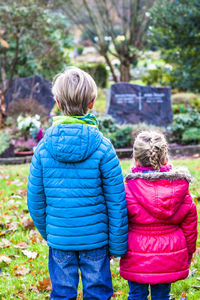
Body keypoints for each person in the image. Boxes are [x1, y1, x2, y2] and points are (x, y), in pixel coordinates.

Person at [27, 67, 128, 300]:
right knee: (98, 293)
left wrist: (50, 232)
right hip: (96, 240)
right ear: (92, 103)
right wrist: (117, 245)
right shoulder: (103, 147)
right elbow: (117, 202)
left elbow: (35, 200)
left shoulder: (43, 148)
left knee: (62, 293)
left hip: (60, 240)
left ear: (58, 103)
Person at [120, 131, 198, 300]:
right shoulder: (180, 191)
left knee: (136, 295)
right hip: (169, 253)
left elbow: (119, 223)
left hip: (136, 253)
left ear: (135, 159)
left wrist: (116, 248)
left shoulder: (127, 192)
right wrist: (189, 252)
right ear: (165, 158)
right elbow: (190, 225)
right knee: (162, 295)